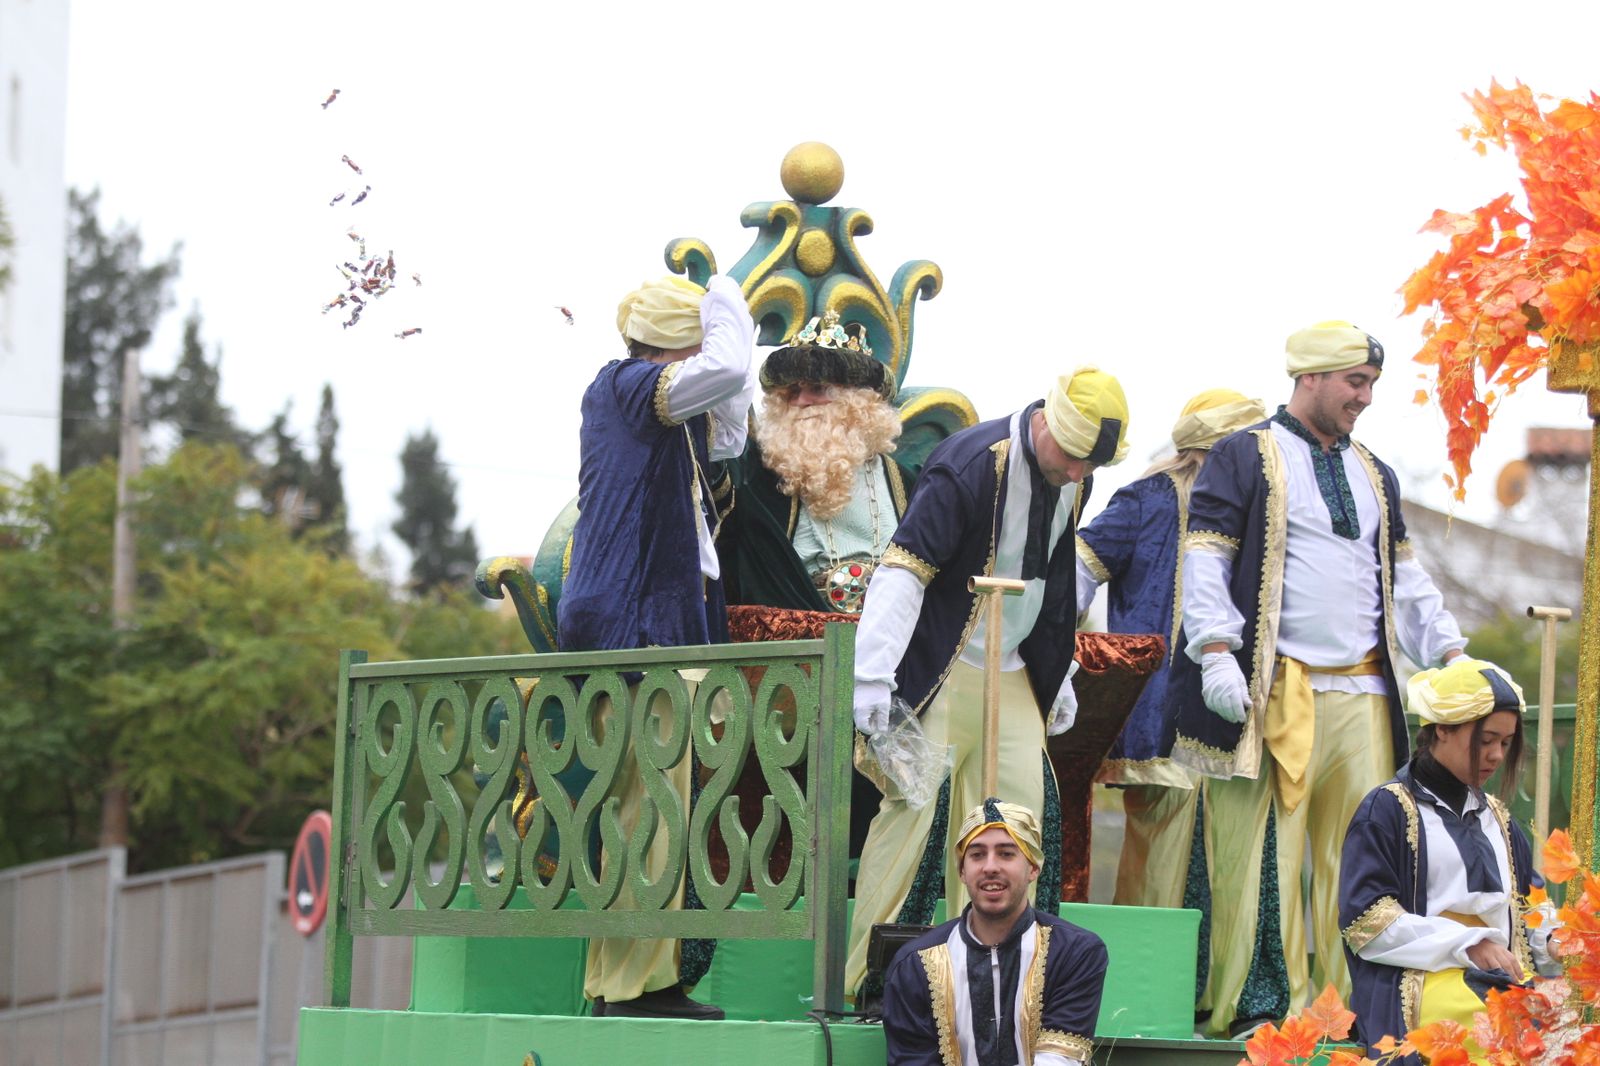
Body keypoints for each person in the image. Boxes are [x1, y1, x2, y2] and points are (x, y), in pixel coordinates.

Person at [1170, 321, 1468, 1036]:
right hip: (1278, 693)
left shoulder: (1375, 471)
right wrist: (1216, 651)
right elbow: (1206, 558)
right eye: (1354, 382)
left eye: (1371, 384)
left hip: (1365, 695)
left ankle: (1354, 1016)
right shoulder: (1245, 454)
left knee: (1363, 862)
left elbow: (1404, 578)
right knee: (1265, 858)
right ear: (1310, 377)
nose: (1365, 397)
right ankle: (1267, 1013)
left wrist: (1451, 655)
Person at [845, 367, 1131, 1002]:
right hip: (943, 670)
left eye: (1091, 465)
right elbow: (905, 567)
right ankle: (871, 982)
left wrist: (1058, 673)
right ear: (1046, 420)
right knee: (915, 819)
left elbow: (1056, 582)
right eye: (1073, 455)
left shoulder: (1074, 476)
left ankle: (1002, 985)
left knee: (1021, 825)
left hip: (1015, 672)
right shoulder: (971, 463)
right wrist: (870, 676)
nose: (1078, 472)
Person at [558, 273, 756, 1020]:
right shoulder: (630, 387)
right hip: (634, 626)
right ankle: (633, 987)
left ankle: (634, 981)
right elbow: (728, 369)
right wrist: (727, 300)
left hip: (654, 624)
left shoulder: (660, 408)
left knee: (654, 805)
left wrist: (721, 341)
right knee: (646, 810)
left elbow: (731, 427)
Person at [1074, 390, 1264, 929]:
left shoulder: (1260, 513)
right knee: (1156, 863)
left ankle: (1216, 976)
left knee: (1233, 866)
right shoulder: (1148, 500)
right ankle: (1144, 970)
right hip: (1164, 718)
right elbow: (1077, 572)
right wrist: (1061, 654)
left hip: (1240, 716)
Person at [1339, 658, 1537, 1058]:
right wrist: (1469, 943)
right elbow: (1366, 924)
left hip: (1504, 979)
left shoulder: (1500, 819)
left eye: (1505, 743)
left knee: (1560, 1020)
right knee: (1486, 1023)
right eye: (1486, 740)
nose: (1497, 756)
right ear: (1442, 729)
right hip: (1422, 978)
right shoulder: (1388, 809)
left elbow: (1529, 911)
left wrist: (1564, 941)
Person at [881, 799, 1109, 1066]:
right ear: (962, 871)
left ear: (1033, 868)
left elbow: (1059, 1060)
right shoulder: (915, 964)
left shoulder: (1074, 952)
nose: (990, 867)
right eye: (977, 854)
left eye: (1006, 854)